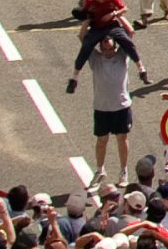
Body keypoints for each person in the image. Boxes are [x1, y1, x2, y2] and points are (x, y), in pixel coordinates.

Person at [65, 17, 152, 180]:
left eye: (109, 40)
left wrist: (117, 15)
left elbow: (130, 33)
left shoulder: (122, 56)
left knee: (122, 139)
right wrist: (88, 18)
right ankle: (100, 169)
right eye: (103, 41)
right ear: (99, 44)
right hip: (102, 107)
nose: (106, 42)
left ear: (115, 43)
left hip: (121, 106)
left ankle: (123, 171)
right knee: (102, 140)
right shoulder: (95, 58)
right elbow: (82, 37)